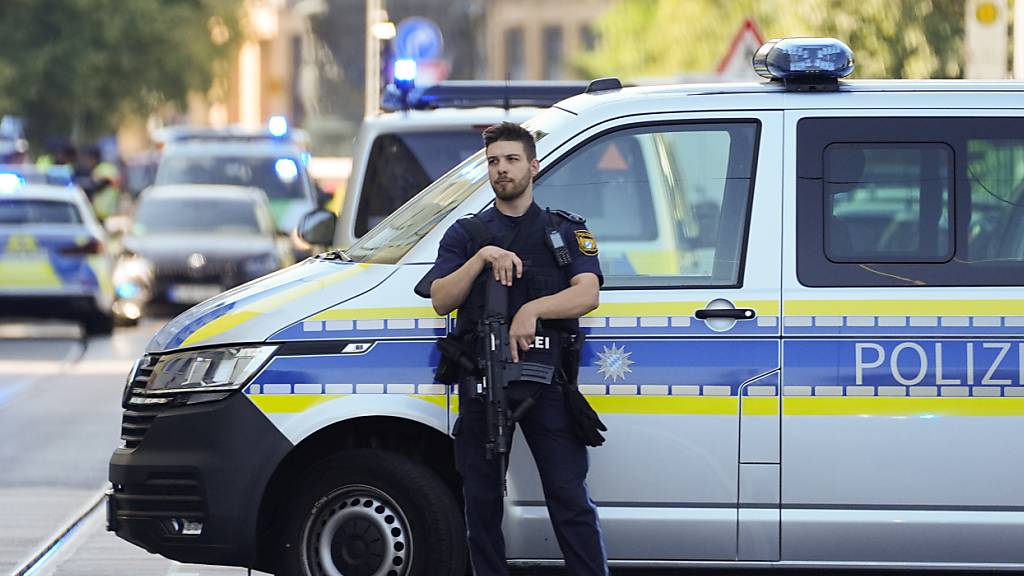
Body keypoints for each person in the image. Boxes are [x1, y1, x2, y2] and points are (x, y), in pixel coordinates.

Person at [417, 121, 609, 576]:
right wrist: (482, 258)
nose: (501, 169)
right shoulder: (466, 234)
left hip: (548, 385)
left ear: (533, 166)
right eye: (493, 162)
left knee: (568, 497)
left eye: (511, 159)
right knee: (481, 503)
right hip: (484, 384)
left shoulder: (563, 230)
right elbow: (442, 297)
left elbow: (588, 293)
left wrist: (533, 310)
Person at [78, 145, 122, 221]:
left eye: (87, 159)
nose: (86, 162)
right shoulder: (106, 168)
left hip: (105, 214)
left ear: (93, 158)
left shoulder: (103, 169)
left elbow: (99, 185)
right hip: (105, 214)